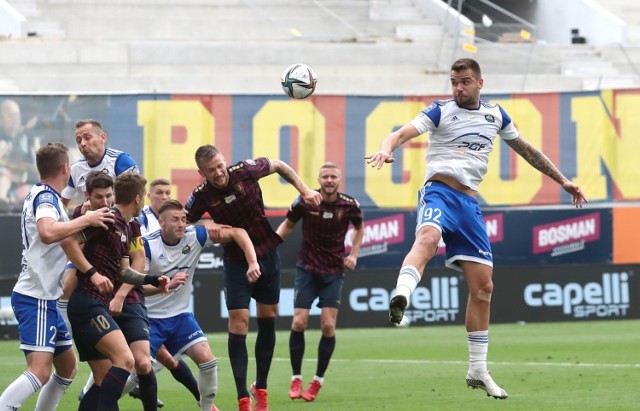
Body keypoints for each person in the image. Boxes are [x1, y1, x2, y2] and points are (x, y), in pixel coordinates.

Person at [365, 58, 587, 400]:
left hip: (469, 205)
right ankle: (402, 295)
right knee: (428, 236)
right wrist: (385, 148)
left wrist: (564, 181)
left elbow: (528, 150)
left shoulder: (496, 115)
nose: (458, 88)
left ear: (480, 83)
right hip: (439, 190)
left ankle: (478, 369)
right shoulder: (440, 111)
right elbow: (400, 133)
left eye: (465, 81)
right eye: (454, 81)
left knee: (484, 287)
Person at [185, 145, 322, 411]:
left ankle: (261, 387)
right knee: (239, 325)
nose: (218, 173)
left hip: (267, 254)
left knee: (267, 321)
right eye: (211, 170)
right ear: (201, 172)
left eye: (219, 166)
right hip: (236, 262)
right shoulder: (201, 196)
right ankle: (242, 399)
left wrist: (304, 190)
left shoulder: (245, 171)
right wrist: (205, 226)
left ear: (224, 160)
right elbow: (186, 223)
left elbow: (280, 164)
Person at [0, 142, 114, 410]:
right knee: (39, 371)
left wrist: (82, 218)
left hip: (48, 298)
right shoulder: (47, 197)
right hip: (35, 297)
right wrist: (87, 220)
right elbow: (48, 232)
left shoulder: (40, 194)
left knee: (67, 367)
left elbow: (61, 236)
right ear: (65, 168)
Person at [61, 172, 169, 410]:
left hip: (95, 304)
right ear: (139, 199)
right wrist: (92, 273)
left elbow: (124, 272)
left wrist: (153, 279)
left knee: (104, 379)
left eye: (108, 195)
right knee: (126, 360)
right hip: (87, 303)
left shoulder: (127, 227)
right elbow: (68, 242)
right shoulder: (108, 219)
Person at [144, 199, 260, 411]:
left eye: (183, 219)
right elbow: (133, 288)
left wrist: (252, 262)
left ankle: (206, 409)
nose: (181, 224)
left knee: (208, 362)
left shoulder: (194, 235)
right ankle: (94, 399)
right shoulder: (147, 245)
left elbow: (238, 233)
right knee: (133, 376)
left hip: (180, 317)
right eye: (175, 220)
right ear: (161, 222)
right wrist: (166, 285)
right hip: (149, 318)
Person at [276, 162, 364, 402]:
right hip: (307, 269)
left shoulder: (349, 204)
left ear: (339, 180)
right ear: (319, 178)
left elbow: (359, 228)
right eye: (325, 176)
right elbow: (288, 225)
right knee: (299, 322)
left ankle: (317, 381)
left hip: (333, 271)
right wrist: (270, 246)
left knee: (327, 326)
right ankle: (296, 377)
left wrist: (354, 254)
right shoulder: (306, 200)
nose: (329, 180)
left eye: (333, 176)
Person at [123, 177, 199, 406]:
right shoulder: (139, 221)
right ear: (148, 196)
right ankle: (95, 395)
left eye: (168, 192)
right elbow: (134, 265)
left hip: (161, 306)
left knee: (163, 360)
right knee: (144, 362)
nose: (164, 196)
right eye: (159, 192)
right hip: (143, 305)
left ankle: (202, 400)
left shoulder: (174, 222)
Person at [61, 119, 138, 208]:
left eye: (87, 138)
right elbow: (63, 203)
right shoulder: (75, 169)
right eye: (78, 140)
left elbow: (134, 196)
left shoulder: (121, 161)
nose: (82, 143)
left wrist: (96, 203)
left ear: (103, 137)